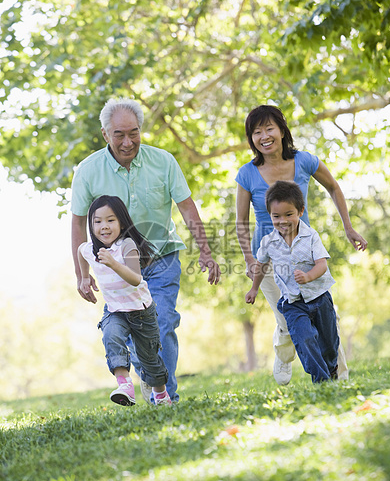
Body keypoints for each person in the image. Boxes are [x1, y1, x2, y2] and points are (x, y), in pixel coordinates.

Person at [71, 98, 221, 403]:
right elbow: (76, 223)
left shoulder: (163, 161)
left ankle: (166, 398)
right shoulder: (87, 171)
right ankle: (153, 383)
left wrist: (205, 251)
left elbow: (186, 207)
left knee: (162, 323)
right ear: (105, 134)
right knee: (127, 331)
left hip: (161, 257)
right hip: (116, 267)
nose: (128, 142)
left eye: (134, 133)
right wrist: (82, 276)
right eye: (119, 135)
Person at [236, 105, 367, 385]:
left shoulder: (305, 161)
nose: (264, 136)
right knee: (286, 318)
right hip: (269, 258)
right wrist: (249, 259)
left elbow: (333, 186)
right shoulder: (247, 174)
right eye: (256, 132)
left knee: (325, 316)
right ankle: (283, 357)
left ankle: (339, 376)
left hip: (305, 254)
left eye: (269, 128)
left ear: (282, 131)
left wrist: (348, 227)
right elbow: (241, 221)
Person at [78, 195, 171, 406]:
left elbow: (136, 278)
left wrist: (113, 263)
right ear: (91, 224)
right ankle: (125, 385)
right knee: (111, 335)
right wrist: (84, 277)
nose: (104, 226)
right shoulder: (91, 250)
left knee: (149, 359)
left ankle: (162, 395)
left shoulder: (126, 244)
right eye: (98, 221)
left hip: (141, 311)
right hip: (114, 310)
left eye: (111, 220)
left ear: (122, 221)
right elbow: (80, 252)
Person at [246, 181, 339, 383]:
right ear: (269, 215)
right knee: (304, 339)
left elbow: (322, 265)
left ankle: (332, 368)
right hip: (293, 302)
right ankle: (322, 382)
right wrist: (254, 289)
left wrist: (308, 277)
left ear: (300, 211)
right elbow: (261, 266)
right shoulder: (268, 242)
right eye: (276, 216)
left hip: (319, 297)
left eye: (289, 214)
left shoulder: (311, 236)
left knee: (329, 344)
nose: (283, 221)